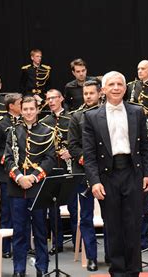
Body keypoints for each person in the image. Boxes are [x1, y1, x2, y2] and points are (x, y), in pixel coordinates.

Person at [83, 71, 148, 277]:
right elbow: (89, 155)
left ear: (125, 87)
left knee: (133, 225)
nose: (116, 87)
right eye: (111, 84)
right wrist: (94, 181)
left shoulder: (137, 112)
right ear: (103, 89)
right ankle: (117, 272)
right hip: (107, 175)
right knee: (113, 226)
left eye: (120, 84)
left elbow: (146, 148)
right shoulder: (91, 116)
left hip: (133, 172)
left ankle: (133, 272)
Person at [4, 96, 56, 277]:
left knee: (41, 230)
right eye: (25, 109)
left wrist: (33, 178)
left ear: (37, 109)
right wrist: (19, 177)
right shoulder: (12, 131)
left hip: (38, 187)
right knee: (19, 232)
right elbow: (8, 159)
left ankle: (42, 267)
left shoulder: (47, 131)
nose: (28, 112)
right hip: (16, 188)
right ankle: (19, 269)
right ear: (20, 110)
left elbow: (50, 159)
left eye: (31, 109)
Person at [67, 80, 101, 271]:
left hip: (106, 173)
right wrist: (89, 163)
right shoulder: (76, 116)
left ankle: (113, 255)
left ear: (99, 93)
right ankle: (92, 258)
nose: (88, 96)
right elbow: (72, 146)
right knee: (86, 217)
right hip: (83, 174)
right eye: (85, 93)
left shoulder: (106, 114)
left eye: (91, 93)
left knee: (110, 215)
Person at [0, 93, 23, 259]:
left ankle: (21, 246)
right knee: (7, 212)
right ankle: (6, 247)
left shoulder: (25, 122)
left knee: (21, 212)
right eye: (20, 103)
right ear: (11, 106)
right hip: (5, 175)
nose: (23, 105)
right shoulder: (0, 123)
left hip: (23, 174)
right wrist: (8, 161)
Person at [39, 89, 74, 255]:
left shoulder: (72, 117)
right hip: (52, 166)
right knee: (53, 207)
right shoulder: (44, 121)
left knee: (73, 205)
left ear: (61, 99)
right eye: (48, 98)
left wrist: (71, 152)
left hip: (70, 165)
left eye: (54, 98)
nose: (51, 101)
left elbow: (78, 140)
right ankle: (57, 242)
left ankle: (77, 241)